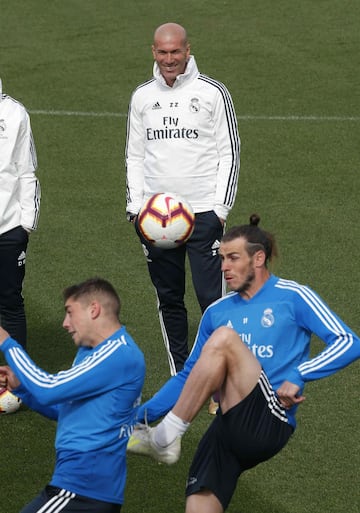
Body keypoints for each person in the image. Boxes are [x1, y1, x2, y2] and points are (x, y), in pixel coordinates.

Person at [128, 215, 360, 513]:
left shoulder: (293, 296)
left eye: (233, 258)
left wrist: (300, 374)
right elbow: (189, 377)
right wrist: (139, 416)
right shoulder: (217, 311)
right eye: (222, 258)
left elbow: (348, 341)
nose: (224, 267)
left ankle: (164, 437)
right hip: (228, 426)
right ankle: (161, 435)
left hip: (269, 417)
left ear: (258, 258)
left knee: (225, 339)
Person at [125, 22, 240, 377]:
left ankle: (219, 374)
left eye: (176, 52)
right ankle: (182, 375)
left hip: (203, 212)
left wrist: (220, 210)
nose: (170, 59)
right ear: (153, 52)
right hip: (157, 218)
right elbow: (135, 155)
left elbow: (229, 153)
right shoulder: (142, 96)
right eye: (163, 52)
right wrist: (135, 209)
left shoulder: (212, 92)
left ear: (188, 50)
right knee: (170, 300)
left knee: (213, 300)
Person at [0, 277, 145, 513]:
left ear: (94, 309)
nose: (65, 323)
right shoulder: (90, 353)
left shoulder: (118, 354)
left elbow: (49, 389)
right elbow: (68, 411)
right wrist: (22, 390)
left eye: (70, 312)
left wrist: (6, 342)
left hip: (82, 489)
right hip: (85, 489)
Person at [0, 77, 41, 350]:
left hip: (8, 228)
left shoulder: (14, 113)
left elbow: (26, 170)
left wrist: (26, 224)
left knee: (10, 301)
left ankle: (20, 380)